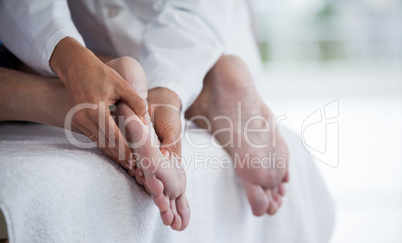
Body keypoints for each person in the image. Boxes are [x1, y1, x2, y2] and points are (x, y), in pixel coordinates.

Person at [0, 0, 289, 230]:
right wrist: (166, 92)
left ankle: (109, 93)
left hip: (93, 47)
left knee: (28, 59)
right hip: (149, 41)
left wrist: (68, 55)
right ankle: (191, 92)